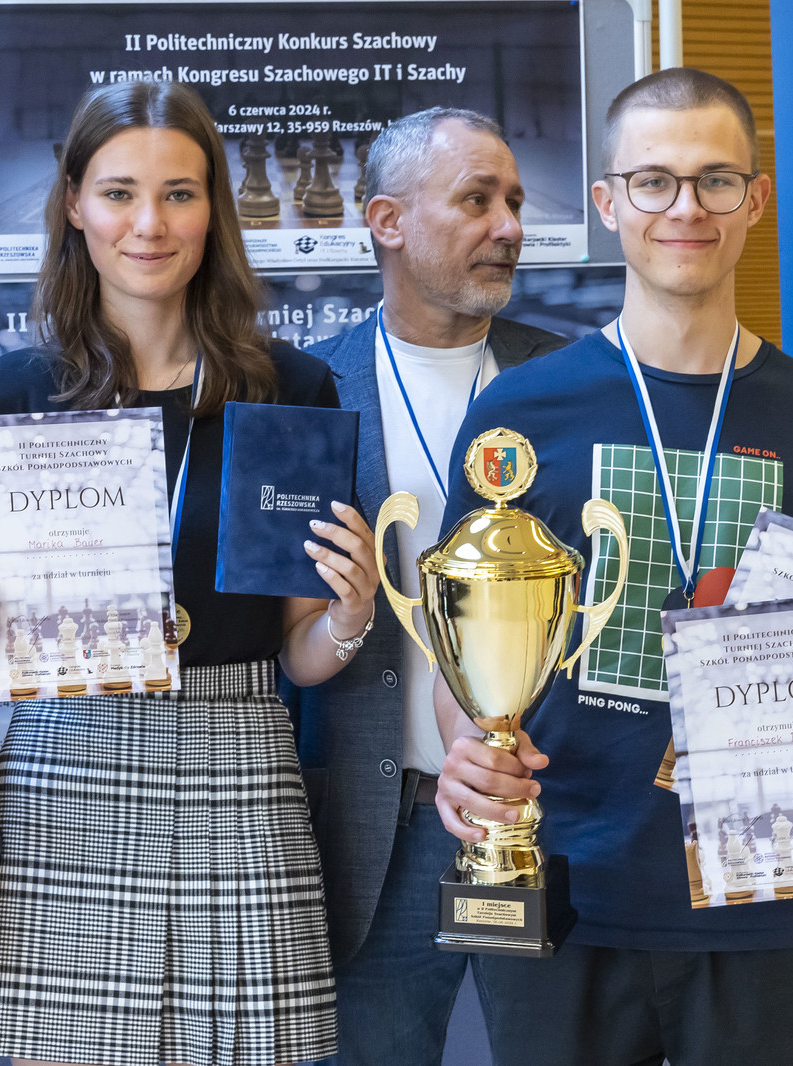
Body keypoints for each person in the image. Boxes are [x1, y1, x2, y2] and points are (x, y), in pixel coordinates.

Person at [432, 68, 793, 1065]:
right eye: (654, 181)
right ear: (607, 202)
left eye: (716, 180)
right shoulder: (519, 411)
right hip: (564, 891)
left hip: (772, 898)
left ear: (755, 199)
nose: (685, 208)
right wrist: (467, 748)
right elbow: (467, 668)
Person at [0, 80, 378, 1066]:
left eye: (179, 193)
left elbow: (300, 653)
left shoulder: (289, 389)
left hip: (241, 766)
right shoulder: (11, 397)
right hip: (64, 770)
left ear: (214, 210)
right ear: (74, 205)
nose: (149, 224)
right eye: (120, 193)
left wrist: (348, 615)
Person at [292, 107, 566, 1064]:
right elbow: (285, 636)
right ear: (387, 221)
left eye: (515, 202)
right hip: (378, 826)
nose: (509, 226)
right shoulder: (308, 391)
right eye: (477, 200)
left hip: (545, 811)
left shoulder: (574, 383)